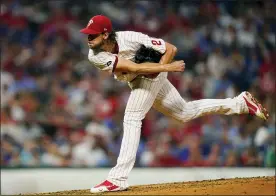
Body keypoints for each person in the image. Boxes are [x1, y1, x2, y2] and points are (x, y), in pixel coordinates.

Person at [79, 15, 269, 193]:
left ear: (105, 34)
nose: (88, 38)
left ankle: (118, 178)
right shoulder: (94, 55)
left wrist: (161, 66)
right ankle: (240, 104)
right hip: (141, 75)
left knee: (132, 117)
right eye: (87, 34)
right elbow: (134, 68)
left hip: (151, 76)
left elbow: (170, 48)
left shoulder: (130, 37)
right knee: (184, 112)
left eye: (92, 34)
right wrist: (166, 67)